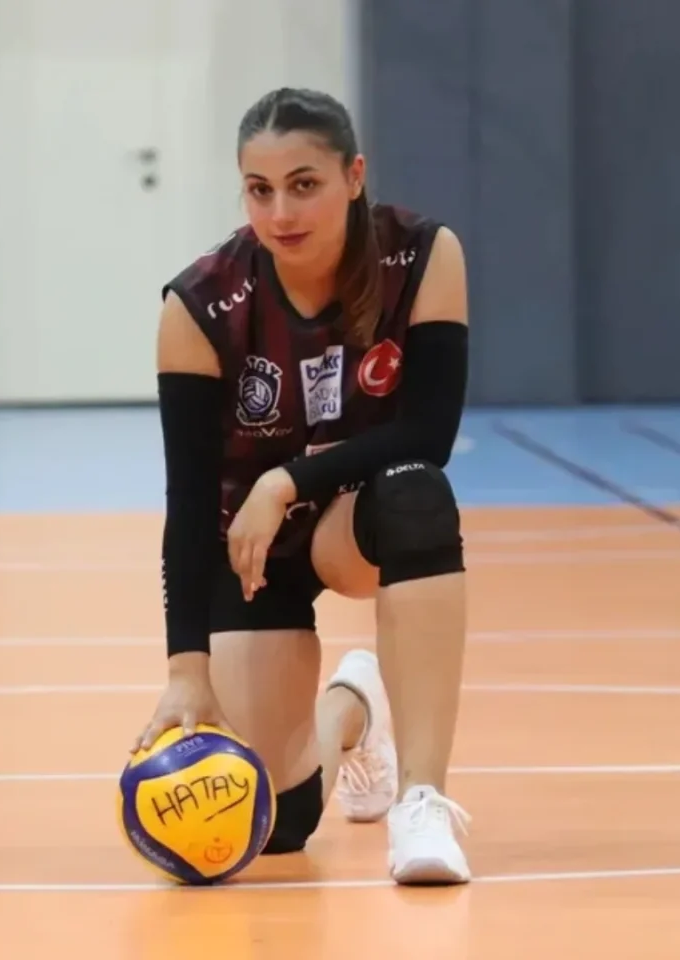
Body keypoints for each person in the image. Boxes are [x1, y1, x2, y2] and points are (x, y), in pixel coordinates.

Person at [133, 87, 472, 885]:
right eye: (260, 190)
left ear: (354, 177)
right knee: (275, 826)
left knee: (418, 492)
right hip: (253, 552)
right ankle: (354, 709)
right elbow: (189, 505)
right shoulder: (200, 306)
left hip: (353, 519)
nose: (280, 212)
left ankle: (422, 800)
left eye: (304, 184)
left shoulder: (421, 256)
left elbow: (429, 433)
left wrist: (286, 480)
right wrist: (186, 669)